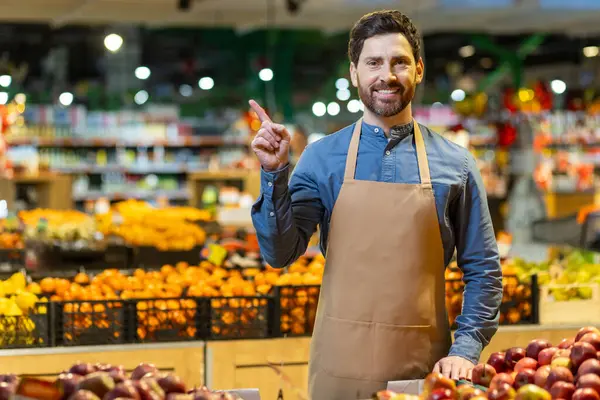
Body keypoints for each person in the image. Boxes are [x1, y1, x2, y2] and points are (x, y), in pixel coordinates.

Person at [249, 9, 502, 400]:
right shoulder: (321, 159)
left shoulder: (457, 165)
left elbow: (484, 269)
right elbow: (280, 253)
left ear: (418, 69)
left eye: (399, 62)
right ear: (355, 73)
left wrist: (465, 349)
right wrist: (273, 174)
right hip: (338, 370)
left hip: (423, 374)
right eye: (374, 63)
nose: (387, 75)